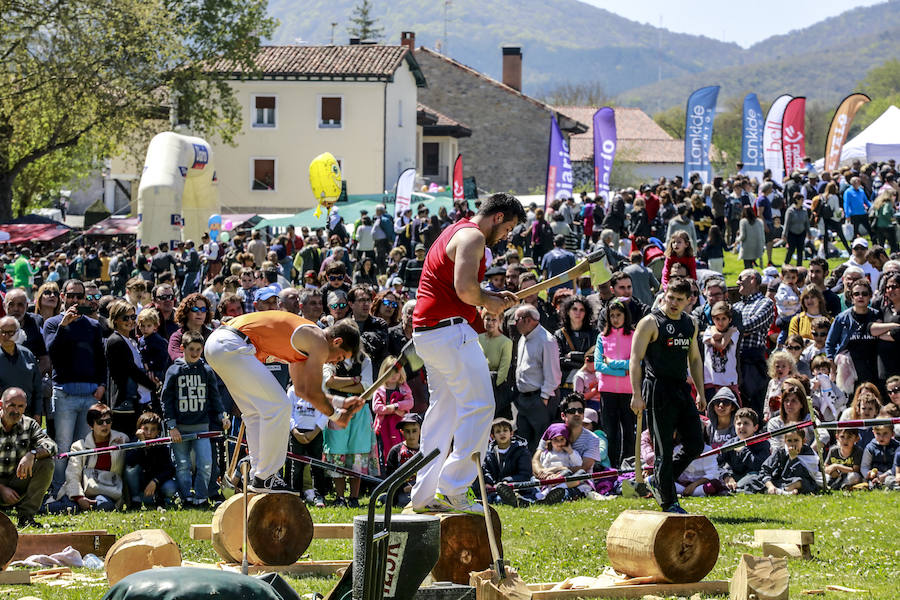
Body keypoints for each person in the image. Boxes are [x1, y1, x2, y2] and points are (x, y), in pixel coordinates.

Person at [410, 192, 524, 515]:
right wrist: (488, 300)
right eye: (507, 229)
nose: (505, 237)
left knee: (442, 414)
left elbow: (462, 293)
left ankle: (423, 495)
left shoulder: (457, 231)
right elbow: (465, 289)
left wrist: (489, 298)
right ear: (498, 217)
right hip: (448, 332)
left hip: (431, 333)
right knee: (482, 405)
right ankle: (454, 487)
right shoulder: (473, 236)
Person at [204, 311, 362, 494]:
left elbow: (303, 391)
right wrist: (336, 415)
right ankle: (267, 477)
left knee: (256, 412)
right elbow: (312, 391)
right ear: (337, 342)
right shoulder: (318, 340)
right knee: (279, 406)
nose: (335, 362)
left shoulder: (305, 346)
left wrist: (341, 403)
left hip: (219, 345)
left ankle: (258, 474)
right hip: (230, 344)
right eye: (340, 357)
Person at [629, 277, 706, 514]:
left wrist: (701, 392)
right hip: (656, 389)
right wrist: (636, 394)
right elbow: (635, 359)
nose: (673, 302)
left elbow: (694, 359)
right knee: (663, 449)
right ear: (665, 293)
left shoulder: (690, 323)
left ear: (689, 300)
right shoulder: (651, 322)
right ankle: (669, 502)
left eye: (679, 299)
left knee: (695, 444)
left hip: (681, 388)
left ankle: (658, 480)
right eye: (670, 297)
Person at [44, 279, 108, 492]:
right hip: (64, 393)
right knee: (62, 445)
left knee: (82, 446)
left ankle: (77, 489)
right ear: (63, 296)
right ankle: (57, 489)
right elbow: (51, 352)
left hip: (90, 393)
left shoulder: (93, 325)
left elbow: (100, 359)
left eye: (79, 296)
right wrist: (64, 326)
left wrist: (101, 384)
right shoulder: (53, 323)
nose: (74, 300)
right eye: (70, 296)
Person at [162, 331, 229, 506]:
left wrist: (222, 416)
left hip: (202, 426)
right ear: (183, 348)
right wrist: (171, 426)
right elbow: (166, 400)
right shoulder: (174, 370)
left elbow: (215, 397)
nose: (195, 353)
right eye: (191, 349)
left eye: (199, 349)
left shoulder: (206, 371)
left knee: (206, 464)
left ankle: (201, 497)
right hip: (180, 427)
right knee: (182, 465)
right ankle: (186, 497)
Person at [45, 403, 126, 513]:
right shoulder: (79, 446)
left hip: (107, 491)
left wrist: (122, 447)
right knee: (70, 508)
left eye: (108, 421)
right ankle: (41, 507)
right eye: (100, 422)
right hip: (81, 491)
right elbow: (72, 475)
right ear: (91, 425)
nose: (105, 425)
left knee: (105, 505)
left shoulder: (122, 441)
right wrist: (79, 497)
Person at [0, 388, 57, 527]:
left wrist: (32, 454)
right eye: (12, 405)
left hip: (16, 481)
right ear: (1, 405)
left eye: (21, 406)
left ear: (25, 406)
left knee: (46, 463)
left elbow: (52, 446)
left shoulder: (29, 424)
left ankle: (26, 517)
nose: (16, 410)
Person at [105, 301, 159, 434]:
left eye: (133, 317)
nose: (130, 321)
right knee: (128, 443)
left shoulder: (132, 341)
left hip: (139, 400)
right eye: (125, 317)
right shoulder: (115, 341)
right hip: (125, 404)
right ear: (115, 319)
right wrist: (153, 385)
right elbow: (131, 370)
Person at [513, 304, 562, 453]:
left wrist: (544, 397)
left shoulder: (546, 340)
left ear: (527, 320)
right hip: (523, 399)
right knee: (523, 441)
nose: (514, 324)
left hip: (539, 399)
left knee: (541, 443)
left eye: (516, 320)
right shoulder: (523, 338)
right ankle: (527, 473)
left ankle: (541, 473)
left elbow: (553, 374)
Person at [594, 299, 634, 469]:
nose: (616, 319)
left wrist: (612, 363)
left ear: (626, 315)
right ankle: (610, 465)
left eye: (619, 315)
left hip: (629, 390)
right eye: (612, 316)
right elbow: (598, 365)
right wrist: (621, 370)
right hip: (607, 391)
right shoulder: (602, 337)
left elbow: (636, 363)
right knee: (610, 430)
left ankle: (628, 464)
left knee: (628, 430)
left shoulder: (634, 335)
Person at [734, 270, 775, 418]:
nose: (737, 282)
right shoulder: (736, 306)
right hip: (734, 359)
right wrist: (738, 329)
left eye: (740, 278)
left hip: (753, 360)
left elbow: (749, 325)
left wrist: (737, 329)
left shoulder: (765, 303)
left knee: (753, 405)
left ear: (752, 279)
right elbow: (732, 327)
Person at [123, 411, 177, 508]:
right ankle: (136, 500)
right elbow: (130, 463)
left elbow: (169, 469)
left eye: (153, 430)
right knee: (130, 469)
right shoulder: (133, 442)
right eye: (146, 429)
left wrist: (155, 481)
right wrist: (141, 444)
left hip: (156, 483)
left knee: (170, 488)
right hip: (139, 485)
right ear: (139, 429)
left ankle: (160, 499)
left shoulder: (161, 445)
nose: (148, 433)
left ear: (158, 431)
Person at [286, 384, 328, 507]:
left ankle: (319, 495)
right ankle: (297, 496)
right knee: (296, 466)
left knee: (317, 465)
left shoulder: (321, 388)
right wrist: (295, 431)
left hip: (315, 432)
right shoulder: (292, 390)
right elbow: (288, 412)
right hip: (297, 432)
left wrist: (315, 431)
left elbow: (326, 412)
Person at [483, 417, 535, 508]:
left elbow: (525, 474)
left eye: (505, 430)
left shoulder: (522, 451)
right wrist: (488, 482)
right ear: (492, 436)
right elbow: (486, 471)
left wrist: (506, 482)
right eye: (498, 431)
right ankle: (515, 500)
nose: (502, 433)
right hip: (495, 489)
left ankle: (521, 500)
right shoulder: (488, 453)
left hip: (519, 487)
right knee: (495, 499)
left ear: (511, 433)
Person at [372, 356, 413, 465]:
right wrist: (394, 410)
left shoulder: (403, 387)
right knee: (386, 450)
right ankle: (387, 468)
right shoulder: (380, 389)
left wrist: (396, 405)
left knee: (402, 449)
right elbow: (377, 407)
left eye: (396, 372)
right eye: (390, 372)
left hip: (401, 426)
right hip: (384, 427)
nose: (394, 375)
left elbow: (410, 403)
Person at [0, 316, 43, 420]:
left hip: (26, 416)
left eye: (11, 332)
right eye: (2, 332)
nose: (6, 336)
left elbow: (37, 387)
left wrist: (37, 413)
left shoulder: (28, 354)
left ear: (18, 333)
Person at [718, 407, 769, 492]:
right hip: (735, 476)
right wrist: (726, 476)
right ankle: (733, 488)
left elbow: (759, 466)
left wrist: (743, 451)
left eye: (746, 423)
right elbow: (716, 461)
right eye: (738, 424)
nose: (742, 427)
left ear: (755, 428)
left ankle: (737, 490)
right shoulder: (730, 444)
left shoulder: (763, 443)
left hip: (753, 476)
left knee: (754, 478)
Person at [701, 301, 740, 402]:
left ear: (730, 319)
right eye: (717, 319)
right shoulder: (709, 332)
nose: (720, 322)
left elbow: (724, 343)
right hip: (711, 381)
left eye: (724, 319)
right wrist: (729, 331)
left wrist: (729, 332)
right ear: (713, 319)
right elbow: (721, 346)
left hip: (729, 382)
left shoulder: (735, 333)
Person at [478, 310, 513, 418]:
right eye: (487, 319)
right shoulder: (477, 338)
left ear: (500, 321)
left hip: (495, 387)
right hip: (478, 384)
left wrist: (492, 387)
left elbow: (504, 368)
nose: (490, 323)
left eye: (494, 320)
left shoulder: (506, 342)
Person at [384, 413, 423, 507]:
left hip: (422, 488)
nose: (411, 435)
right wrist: (402, 487)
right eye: (407, 431)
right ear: (402, 432)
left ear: (420, 431)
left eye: (414, 431)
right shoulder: (395, 451)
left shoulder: (425, 450)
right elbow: (390, 476)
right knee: (405, 502)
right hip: (403, 491)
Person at [861, 425, 898, 489]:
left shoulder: (897, 447)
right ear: (873, 433)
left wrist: (885, 475)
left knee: (889, 480)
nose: (881, 437)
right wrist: (868, 474)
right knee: (871, 484)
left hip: (891, 474)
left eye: (885, 433)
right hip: (876, 475)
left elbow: (896, 467)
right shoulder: (870, 448)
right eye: (878, 433)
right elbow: (864, 466)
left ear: (892, 434)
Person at [782, 193, 810, 266]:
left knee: (800, 250)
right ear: (796, 200)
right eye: (801, 200)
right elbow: (787, 223)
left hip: (801, 233)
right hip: (792, 233)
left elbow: (806, 222)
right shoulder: (790, 211)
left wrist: (809, 232)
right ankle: (786, 263)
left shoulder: (804, 211)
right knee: (791, 249)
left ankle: (799, 266)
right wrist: (784, 234)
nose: (802, 201)